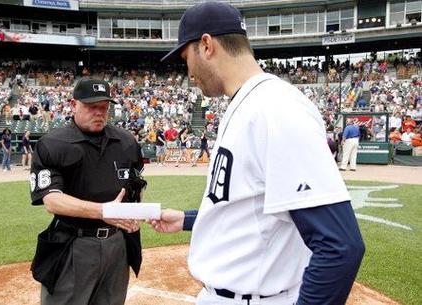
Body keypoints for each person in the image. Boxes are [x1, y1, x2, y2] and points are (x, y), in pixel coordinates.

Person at [151, 3, 365, 305]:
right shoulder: (249, 102)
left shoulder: (276, 109)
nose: (188, 71)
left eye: (186, 58)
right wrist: (187, 220)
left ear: (206, 45)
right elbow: (254, 208)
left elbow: (340, 246)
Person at [29, 77, 146, 305]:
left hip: (117, 245)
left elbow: (135, 185)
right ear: (74, 105)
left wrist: (133, 211)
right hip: (74, 245)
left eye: (104, 107)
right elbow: (52, 201)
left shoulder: (126, 142)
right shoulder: (53, 144)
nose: (99, 113)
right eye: (91, 107)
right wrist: (104, 211)